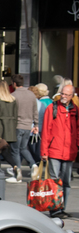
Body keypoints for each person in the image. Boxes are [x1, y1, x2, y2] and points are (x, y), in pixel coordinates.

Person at [41, 85, 79, 219]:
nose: (63, 96)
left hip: (69, 151)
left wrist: (77, 146)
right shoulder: (52, 108)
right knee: (55, 180)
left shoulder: (75, 109)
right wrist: (44, 151)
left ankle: (62, 208)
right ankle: (54, 208)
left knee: (67, 182)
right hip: (54, 150)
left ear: (71, 96)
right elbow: (46, 130)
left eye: (66, 94)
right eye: (62, 93)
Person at [0, 80, 20, 182]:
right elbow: (16, 116)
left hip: (0, 129)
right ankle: (15, 166)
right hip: (10, 130)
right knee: (8, 152)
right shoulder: (13, 100)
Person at [11, 74, 39, 178]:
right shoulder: (31, 95)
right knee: (23, 148)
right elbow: (35, 111)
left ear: (14, 84)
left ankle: (18, 170)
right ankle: (33, 165)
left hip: (17, 125)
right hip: (28, 126)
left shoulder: (13, 95)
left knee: (15, 150)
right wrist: (36, 124)